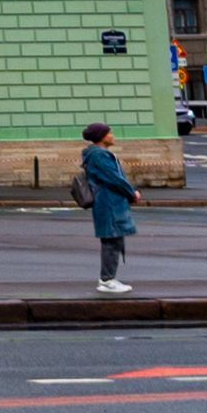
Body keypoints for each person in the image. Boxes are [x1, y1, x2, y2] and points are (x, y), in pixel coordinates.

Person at [75, 119, 139, 292]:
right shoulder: (99, 155)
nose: (113, 135)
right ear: (101, 137)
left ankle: (109, 278)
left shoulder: (98, 154)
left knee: (114, 239)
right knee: (111, 240)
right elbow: (114, 178)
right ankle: (107, 280)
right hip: (109, 202)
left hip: (110, 201)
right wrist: (131, 192)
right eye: (109, 132)